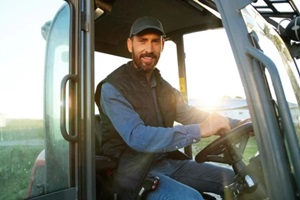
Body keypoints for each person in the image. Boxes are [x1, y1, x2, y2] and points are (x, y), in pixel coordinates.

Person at [95, 16, 248, 200]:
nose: (149, 49)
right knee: (192, 198)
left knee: (237, 181)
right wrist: (199, 130)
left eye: (155, 42)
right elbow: (138, 137)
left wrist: (235, 123)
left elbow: (190, 114)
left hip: (167, 162)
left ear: (162, 46)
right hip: (132, 172)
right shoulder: (112, 88)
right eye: (142, 41)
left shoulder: (163, 86)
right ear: (130, 45)